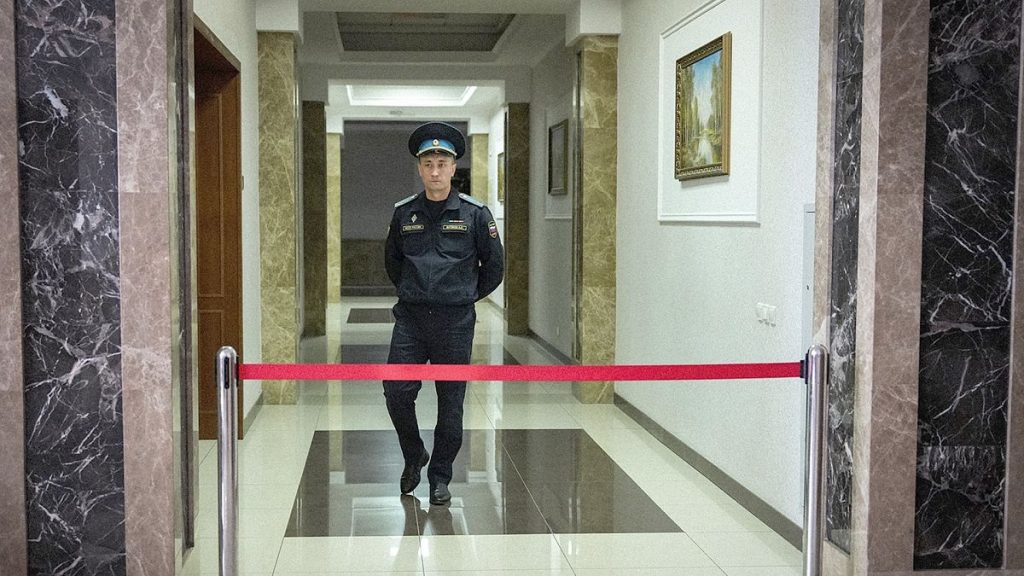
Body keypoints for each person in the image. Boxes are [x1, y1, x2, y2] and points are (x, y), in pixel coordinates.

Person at [383, 121, 504, 506]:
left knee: (451, 403)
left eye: (442, 163)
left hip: (454, 322)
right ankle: (414, 453)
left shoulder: (475, 214)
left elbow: (494, 268)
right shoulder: (404, 214)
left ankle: (440, 477)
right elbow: (393, 263)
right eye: (428, 163)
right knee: (396, 392)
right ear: (419, 168)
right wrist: (417, 292)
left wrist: (464, 295)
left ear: (454, 168)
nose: (435, 170)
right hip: (412, 321)